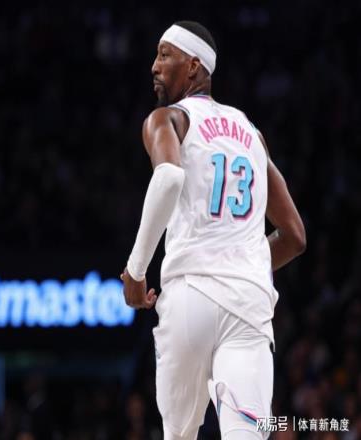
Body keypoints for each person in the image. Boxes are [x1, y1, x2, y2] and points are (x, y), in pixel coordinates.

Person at [121, 21, 306, 440]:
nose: (154, 66)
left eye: (164, 55)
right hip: (248, 300)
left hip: (190, 294)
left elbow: (168, 178)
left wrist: (136, 271)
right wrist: (246, 261)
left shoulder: (167, 118)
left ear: (193, 66)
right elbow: (294, 235)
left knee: (179, 435)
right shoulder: (253, 135)